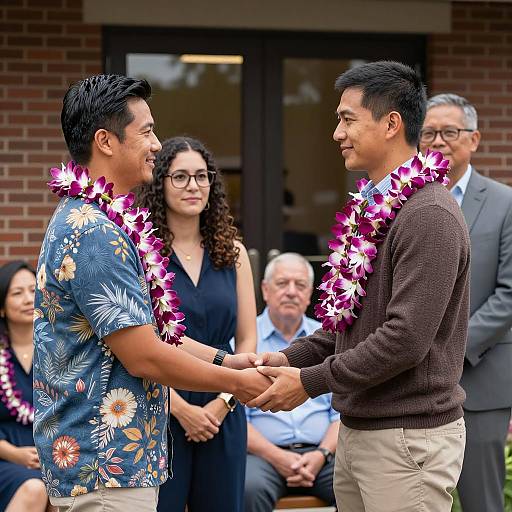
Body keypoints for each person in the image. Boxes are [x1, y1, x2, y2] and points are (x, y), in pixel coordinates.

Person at [33, 74, 270, 512]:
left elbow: (153, 334)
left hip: (117, 461)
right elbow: (144, 355)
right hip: (105, 464)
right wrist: (239, 383)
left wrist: (225, 358)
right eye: (146, 131)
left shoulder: (94, 220)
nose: (157, 144)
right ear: (106, 141)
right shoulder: (94, 233)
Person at [246, 61, 470, 512]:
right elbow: (344, 328)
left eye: (347, 119)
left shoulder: (429, 215)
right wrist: (285, 359)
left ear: (391, 124)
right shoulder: (375, 208)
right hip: (361, 431)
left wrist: (308, 383)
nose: (336, 133)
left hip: (407, 441)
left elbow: (404, 339)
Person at [137, 136, 257, 512]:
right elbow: (141, 342)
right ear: (161, 183)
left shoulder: (233, 252)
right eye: (181, 177)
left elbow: (248, 338)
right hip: (163, 406)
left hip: (225, 409)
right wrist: (183, 410)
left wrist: (223, 402)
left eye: (202, 176)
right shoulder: (142, 254)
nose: (193, 186)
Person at [420, 93, 512, 512]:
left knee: (482, 503)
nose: (438, 141)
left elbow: (508, 295)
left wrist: (449, 346)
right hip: (410, 383)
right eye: (428, 133)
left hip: (480, 380)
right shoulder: (401, 201)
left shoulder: (504, 203)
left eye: (449, 132)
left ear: (474, 139)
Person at [244, 253, 338, 512]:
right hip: (263, 457)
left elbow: (340, 414)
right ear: (265, 290)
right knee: (247, 489)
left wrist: (322, 455)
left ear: (310, 294)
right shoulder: (245, 341)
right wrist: (278, 457)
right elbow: (236, 418)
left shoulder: (330, 339)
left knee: (358, 483)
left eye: (300, 285)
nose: (291, 292)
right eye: (282, 283)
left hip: (323, 455)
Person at [0, 261, 55, 512]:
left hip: (57, 454)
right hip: (6, 456)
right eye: (17, 293)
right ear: (2, 306)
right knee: (35, 487)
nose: (27, 299)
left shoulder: (56, 351)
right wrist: (15, 454)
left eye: (33, 291)